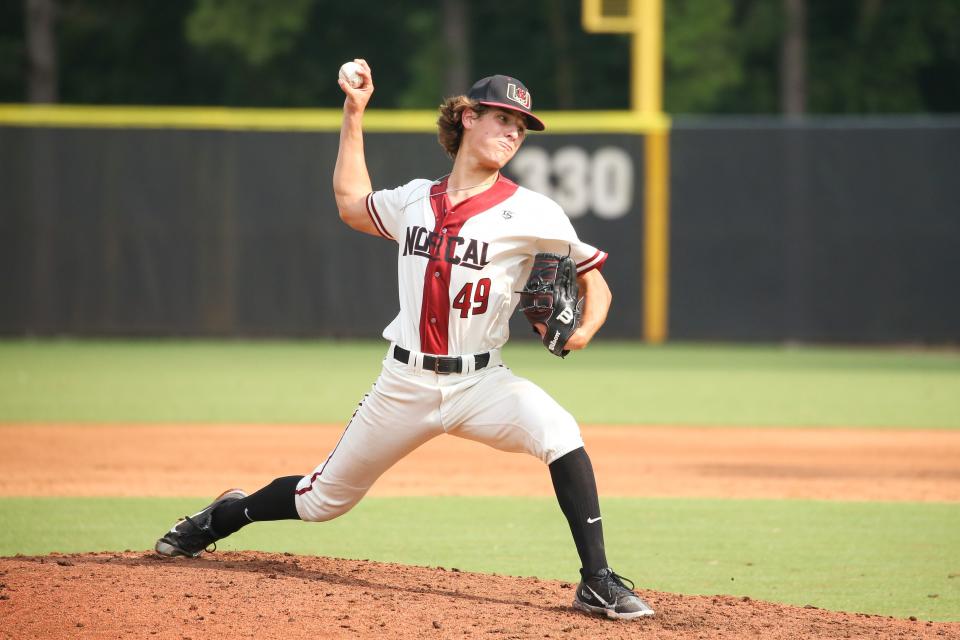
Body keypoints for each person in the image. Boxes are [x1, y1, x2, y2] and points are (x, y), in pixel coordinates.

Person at [155, 59, 654, 621]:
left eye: (521, 126)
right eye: (502, 118)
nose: (513, 132)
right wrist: (353, 112)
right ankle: (225, 516)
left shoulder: (533, 211)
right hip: (404, 383)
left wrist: (584, 331)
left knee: (559, 430)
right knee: (322, 501)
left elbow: (595, 277)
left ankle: (597, 581)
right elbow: (351, 203)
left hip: (481, 382)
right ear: (467, 118)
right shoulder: (416, 199)